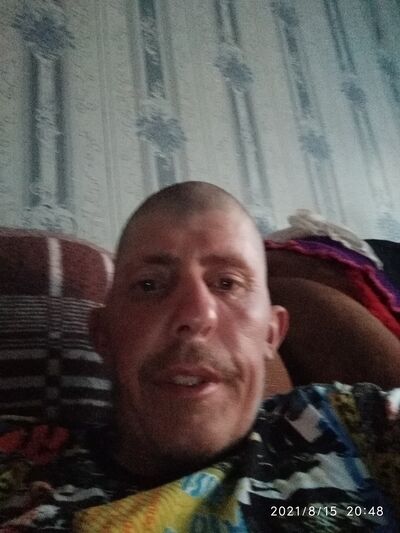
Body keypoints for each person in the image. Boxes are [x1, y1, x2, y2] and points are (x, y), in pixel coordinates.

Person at [0, 181, 399, 532]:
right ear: (103, 335)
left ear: (271, 333)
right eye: (150, 285)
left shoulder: (355, 422)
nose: (195, 315)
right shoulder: (21, 465)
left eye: (227, 283)